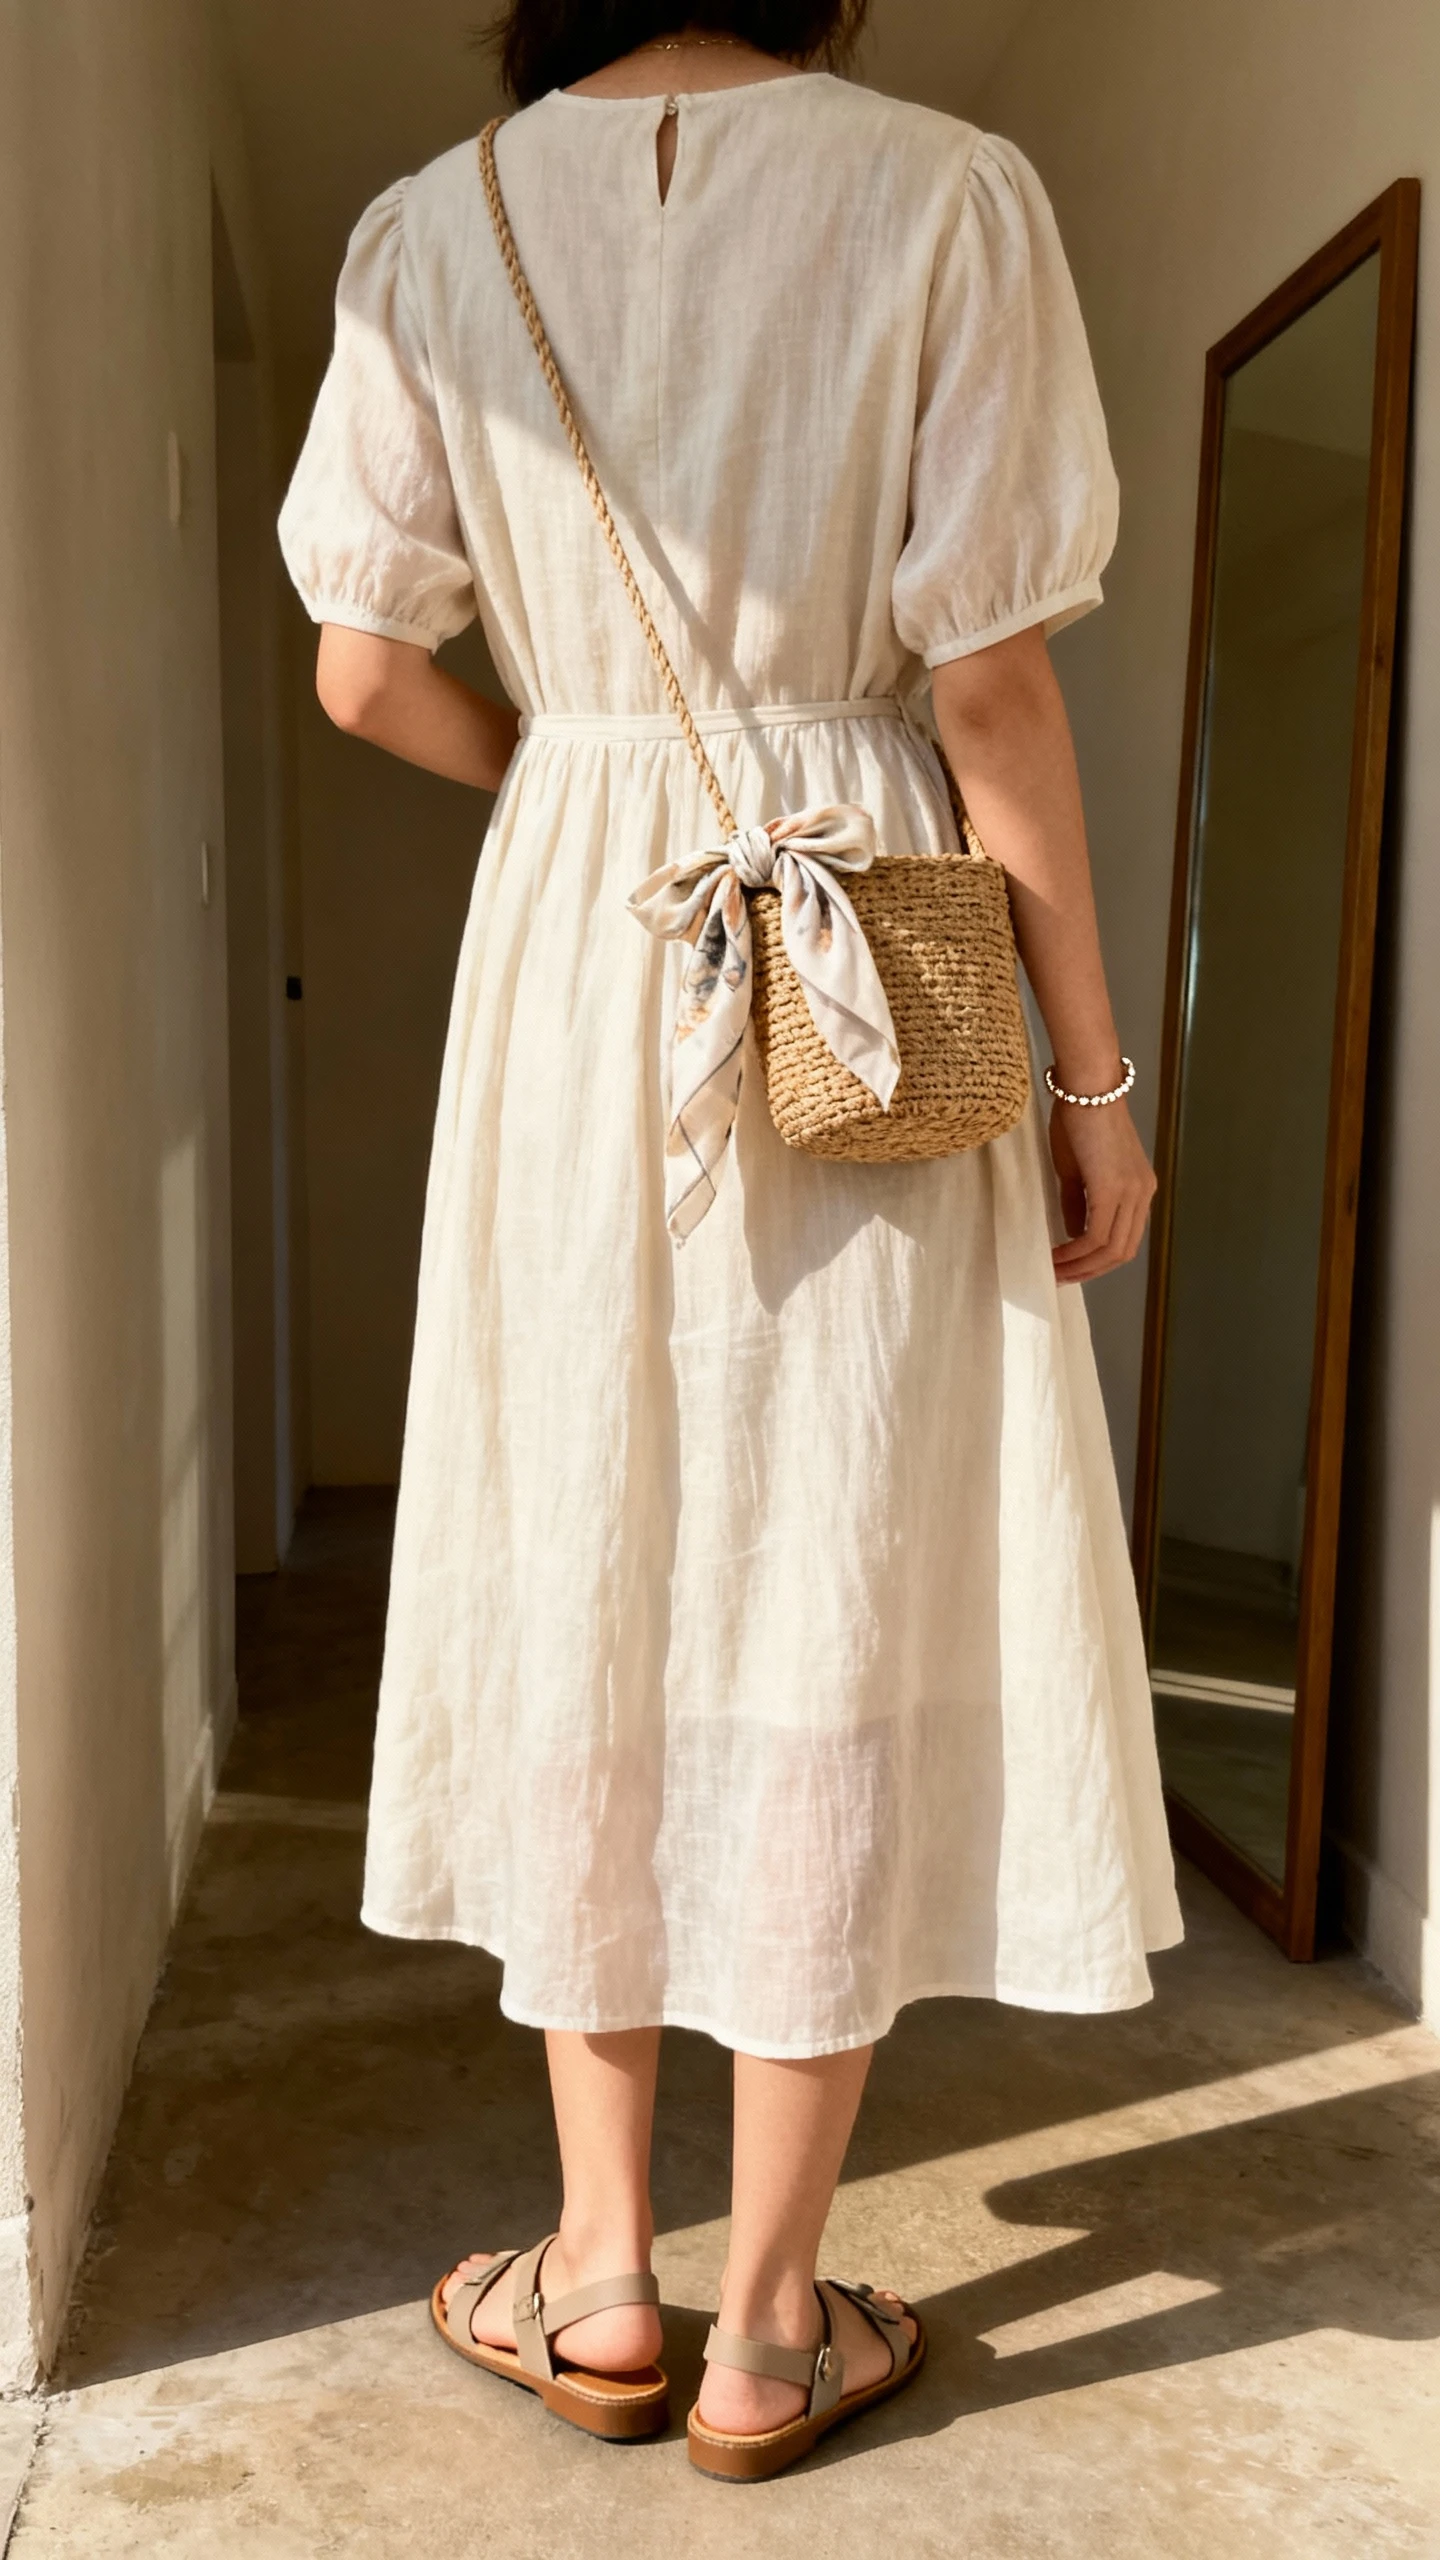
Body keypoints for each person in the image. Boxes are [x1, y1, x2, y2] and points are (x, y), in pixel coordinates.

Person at [279, 0, 1182, 2482]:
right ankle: (774, 2328)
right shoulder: (946, 193)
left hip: (580, 940)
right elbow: (984, 679)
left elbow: (368, 662)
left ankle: (598, 2281)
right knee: (828, 1560)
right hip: (869, 946)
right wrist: (1095, 1083)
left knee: (588, 1539)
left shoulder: (423, 234)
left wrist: (563, 786)